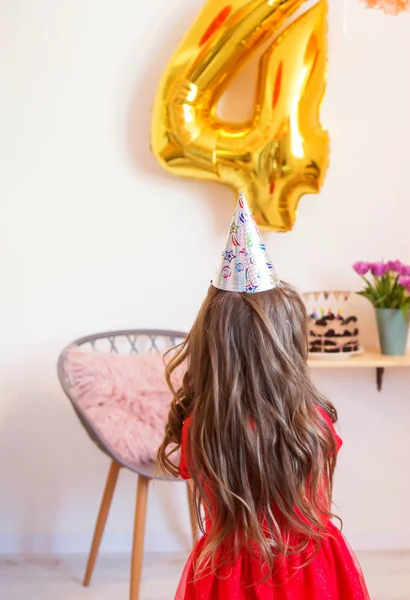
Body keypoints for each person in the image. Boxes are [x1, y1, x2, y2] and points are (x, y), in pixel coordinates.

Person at [158, 193, 370, 599]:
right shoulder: (314, 424)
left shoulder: (199, 430)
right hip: (312, 570)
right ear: (286, 345)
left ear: (211, 347)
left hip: (228, 574)